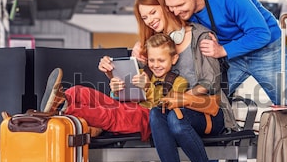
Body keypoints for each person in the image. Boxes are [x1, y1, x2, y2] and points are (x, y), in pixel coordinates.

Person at [100, 0, 237, 162]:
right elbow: (143, 95)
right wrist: (116, 75)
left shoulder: (200, 37)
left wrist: (179, 98)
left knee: (174, 117)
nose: (150, 20)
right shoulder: (148, 48)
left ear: (166, 6)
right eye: (144, 17)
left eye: (154, 12)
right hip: (167, 109)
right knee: (158, 113)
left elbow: (211, 84)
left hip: (209, 111)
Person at [154, 0, 287, 106]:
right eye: (170, 7)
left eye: (180, 5)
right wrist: (141, 47)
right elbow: (165, 32)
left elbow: (261, 34)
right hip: (231, 55)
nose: (175, 12)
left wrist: (222, 50)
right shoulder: (179, 10)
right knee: (209, 100)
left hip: (266, 50)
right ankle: (227, 130)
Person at [41, 33, 188, 142]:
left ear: (174, 59)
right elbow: (117, 98)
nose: (155, 65)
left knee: (108, 114)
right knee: (81, 91)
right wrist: (116, 88)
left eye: (161, 60)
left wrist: (148, 88)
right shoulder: (142, 72)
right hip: (127, 106)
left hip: (146, 118)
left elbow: (165, 108)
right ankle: (63, 97)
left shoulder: (179, 82)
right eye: (151, 60)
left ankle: (63, 108)